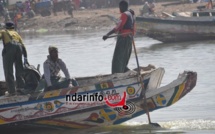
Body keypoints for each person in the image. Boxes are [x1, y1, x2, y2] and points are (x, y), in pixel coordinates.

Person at [102, 0, 135, 74]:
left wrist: (107, 35)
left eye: (119, 7)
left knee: (117, 60)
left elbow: (118, 27)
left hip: (123, 39)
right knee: (124, 59)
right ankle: (125, 72)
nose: (119, 8)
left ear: (122, 6)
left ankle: (117, 76)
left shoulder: (124, 14)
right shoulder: (131, 14)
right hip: (129, 39)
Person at [0, 21, 29, 96]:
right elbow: (23, 46)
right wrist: (25, 58)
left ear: (6, 27)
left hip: (10, 48)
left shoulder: (3, 31)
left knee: (8, 70)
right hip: (19, 48)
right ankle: (21, 88)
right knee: (19, 69)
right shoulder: (16, 33)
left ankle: (12, 91)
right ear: (13, 27)